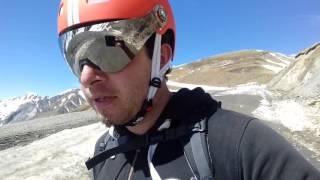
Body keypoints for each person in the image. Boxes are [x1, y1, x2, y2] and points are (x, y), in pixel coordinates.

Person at [57, 0, 320, 179]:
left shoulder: (240, 145)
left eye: (107, 51)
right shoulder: (104, 153)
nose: (86, 76)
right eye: (76, 60)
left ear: (160, 57)